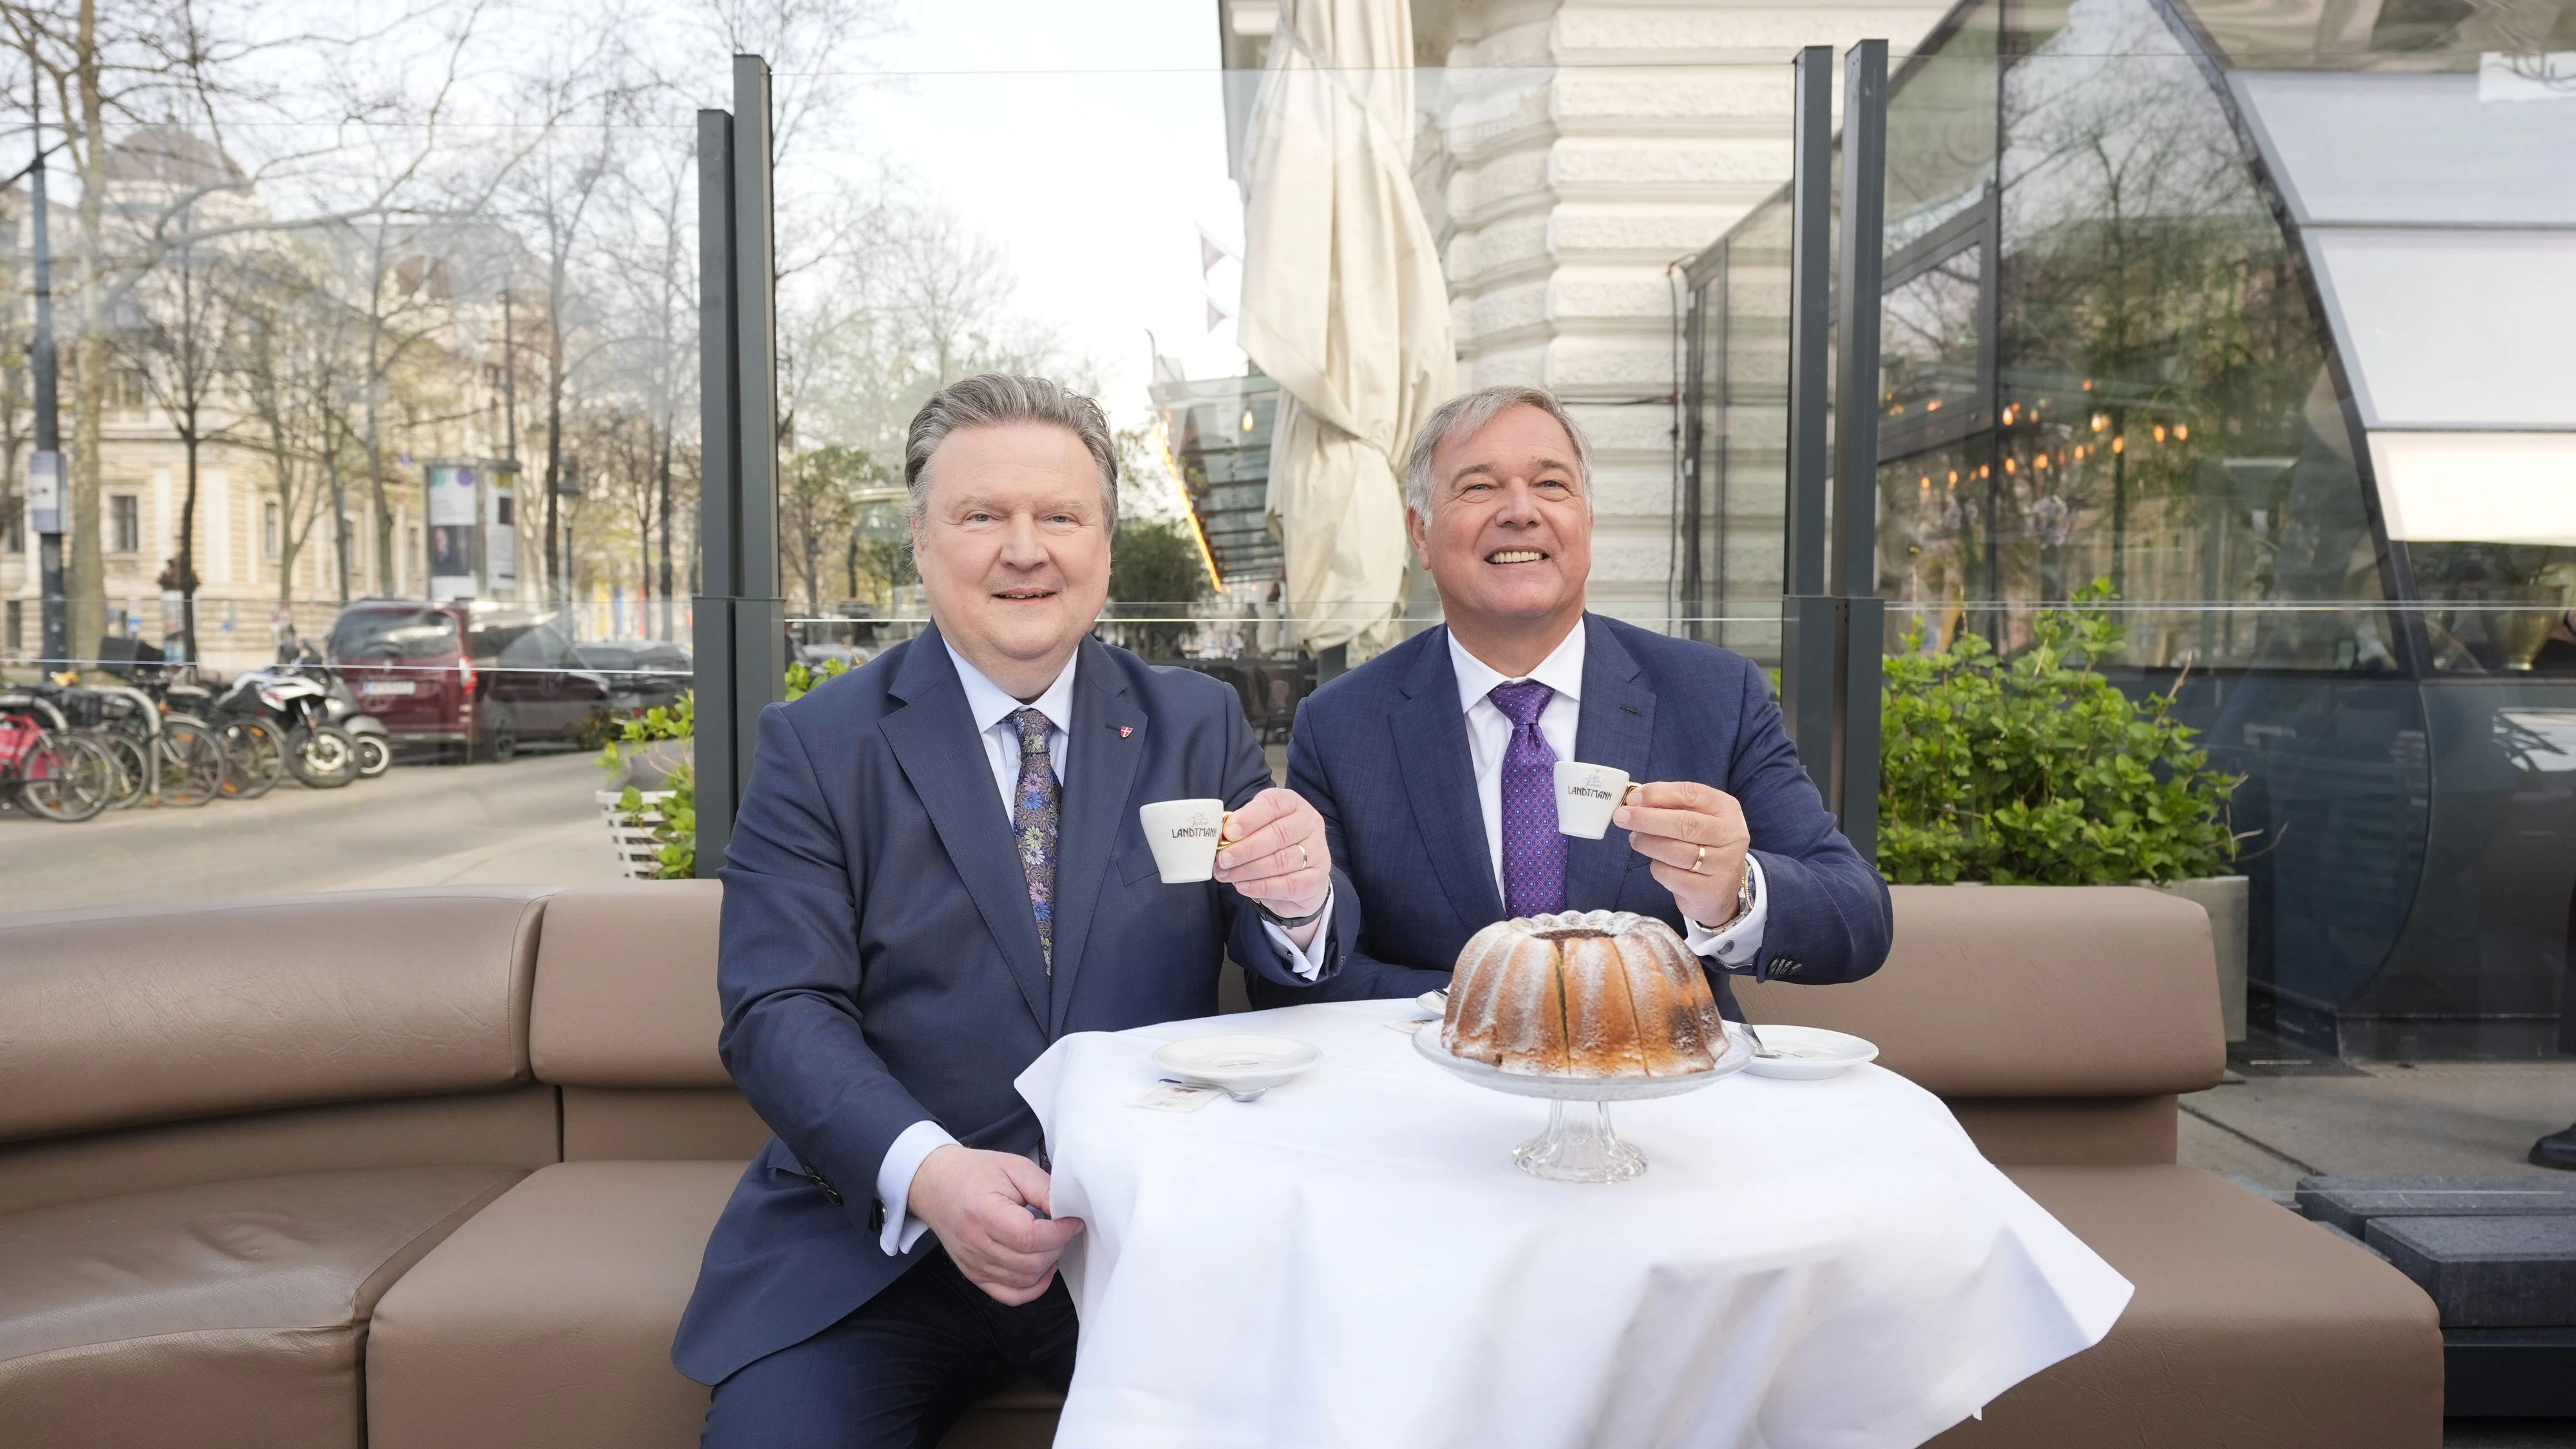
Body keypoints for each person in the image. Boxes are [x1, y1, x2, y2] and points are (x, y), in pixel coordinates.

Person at [673, 374, 1354, 1446]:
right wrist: (931, 1175)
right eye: (983, 515)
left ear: (1105, 544)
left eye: (1060, 516)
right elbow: (777, 1009)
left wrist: (1303, 897)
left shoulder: (1196, 722)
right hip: (881, 1247)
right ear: (923, 542)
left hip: (1147, 1234)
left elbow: (1284, 966)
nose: (1025, 549)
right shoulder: (817, 746)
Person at [1256, 384, 1891, 1017]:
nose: (1519, 510)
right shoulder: (1341, 724)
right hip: (1440, 1092)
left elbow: (1857, 919)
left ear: (1586, 521)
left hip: (1660, 1095)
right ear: (1420, 533)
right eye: (1478, 486)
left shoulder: (1714, 695)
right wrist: (1483, 1008)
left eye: (1551, 485)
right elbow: (1307, 969)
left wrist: (1735, 892)